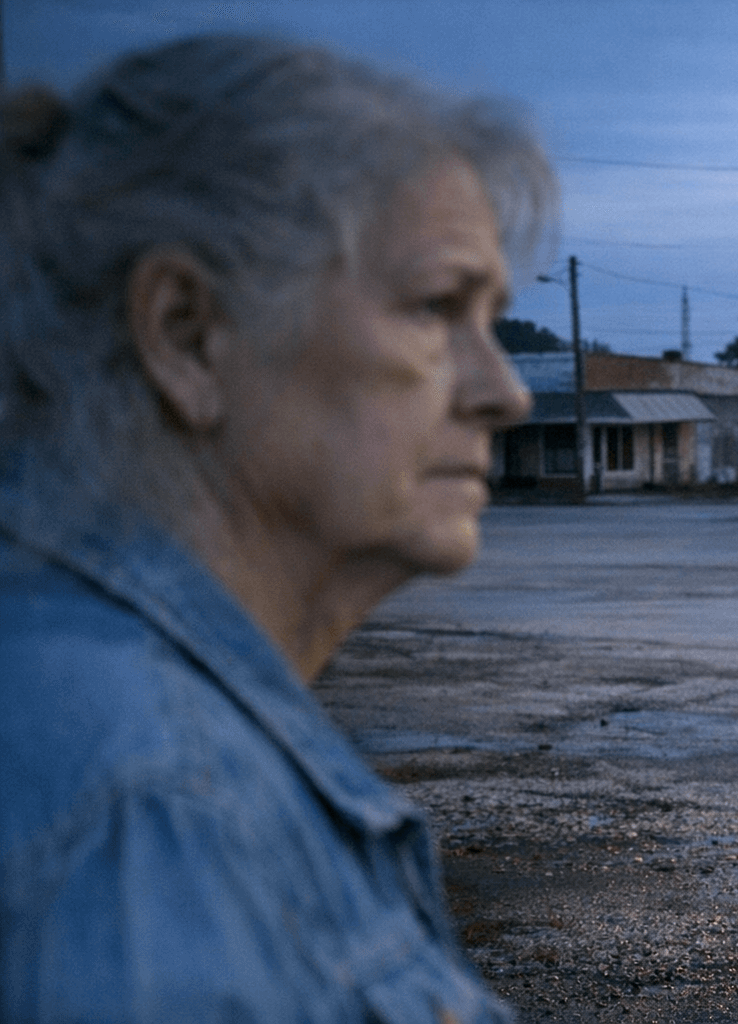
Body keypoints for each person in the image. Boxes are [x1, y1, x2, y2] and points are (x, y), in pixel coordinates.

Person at [0, 35, 555, 1021]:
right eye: (437, 307)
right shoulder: (153, 812)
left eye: (493, 320)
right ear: (187, 335)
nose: (505, 391)